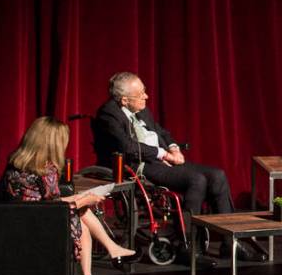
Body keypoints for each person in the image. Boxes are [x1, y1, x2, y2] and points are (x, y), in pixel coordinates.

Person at [92, 71, 266, 263]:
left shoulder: (140, 108)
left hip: (161, 159)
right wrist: (163, 154)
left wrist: (174, 148)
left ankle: (229, 243)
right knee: (196, 179)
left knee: (218, 175)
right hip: (139, 165)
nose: (146, 96)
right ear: (124, 100)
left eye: (145, 91)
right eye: (141, 94)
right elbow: (127, 146)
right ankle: (188, 246)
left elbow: (160, 132)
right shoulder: (108, 114)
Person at [1, 116, 141, 275]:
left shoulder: (17, 163)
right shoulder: (45, 169)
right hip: (35, 223)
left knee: (81, 211)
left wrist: (81, 197)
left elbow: (46, 202)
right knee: (81, 215)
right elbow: (50, 208)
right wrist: (83, 201)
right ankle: (106, 257)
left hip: (20, 217)